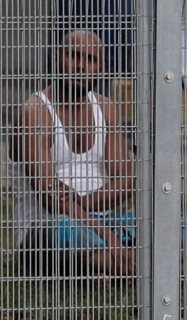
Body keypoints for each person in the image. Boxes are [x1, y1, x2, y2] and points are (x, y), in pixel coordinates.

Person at [10, 29, 137, 279]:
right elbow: (51, 197)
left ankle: (107, 265)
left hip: (102, 223)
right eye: (74, 56)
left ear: (102, 69)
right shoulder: (36, 111)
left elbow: (126, 179)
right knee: (67, 230)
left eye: (91, 60)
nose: (81, 66)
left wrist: (86, 210)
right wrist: (108, 237)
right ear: (58, 58)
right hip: (48, 230)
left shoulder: (106, 108)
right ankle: (141, 266)